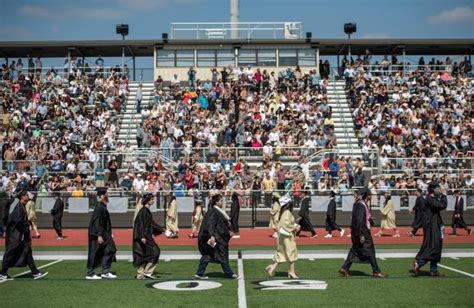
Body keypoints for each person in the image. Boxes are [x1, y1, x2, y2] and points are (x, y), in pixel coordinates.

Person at [339, 187, 387, 278]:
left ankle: (345, 268)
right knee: (370, 250)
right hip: (363, 232)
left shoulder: (359, 204)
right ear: (367, 195)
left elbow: (362, 219)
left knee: (355, 250)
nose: (371, 196)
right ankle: (376, 271)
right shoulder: (361, 205)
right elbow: (360, 221)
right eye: (370, 195)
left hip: (357, 232)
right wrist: (361, 235)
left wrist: (370, 220)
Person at [0, 190, 48, 281]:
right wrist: (28, 223)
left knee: (27, 252)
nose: (27, 196)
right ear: (22, 196)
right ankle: (3, 273)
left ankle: (35, 272)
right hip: (14, 236)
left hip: (19, 235)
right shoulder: (18, 207)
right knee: (9, 253)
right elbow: (17, 221)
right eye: (26, 195)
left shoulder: (21, 206)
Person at [195, 194, 240, 280]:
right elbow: (211, 224)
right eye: (221, 201)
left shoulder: (215, 211)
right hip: (213, 237)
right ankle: (229, 274)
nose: (222, 202)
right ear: (217, 202)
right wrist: (212, 235)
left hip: (211, 237)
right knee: (222, 253)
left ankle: (199, 273)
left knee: (208, 255)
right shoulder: (214, 211)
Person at [413, 183, 447, 277]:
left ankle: (434, 270)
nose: (439, 190)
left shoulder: (430, 199)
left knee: (436, 247)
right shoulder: (430, 199)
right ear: (433, 190)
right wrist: (444, 195)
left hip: (434, 226)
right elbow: (442, 205)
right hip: (432, 227)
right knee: (433, 247)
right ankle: (419, 262)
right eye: (438, 189)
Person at [265, 194, 300, 279]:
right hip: (287, 236)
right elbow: (286, 224)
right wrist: (295, 227)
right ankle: (291, 271)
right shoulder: (287, 212)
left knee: (282, 253)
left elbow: (284, 223)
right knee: (291, 252)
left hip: (282, 235)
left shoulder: (283, 212)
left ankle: (272, 267)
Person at [86, 187, 117, 280]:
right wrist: (98, 235)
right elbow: (97, 222)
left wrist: (109, 233)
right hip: (98, 233)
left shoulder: (102, 206)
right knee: (94, 252)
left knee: (110, 249)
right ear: (103, 196)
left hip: (104, 232)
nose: (108, 195)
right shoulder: (100, 207)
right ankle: (90, 273)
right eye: (107, 194)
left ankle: (105, 271)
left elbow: (104, 222)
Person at [133, 193, 164, 280]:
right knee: (155, 251)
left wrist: (162, 230)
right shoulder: (143, 211)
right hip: (144, 237)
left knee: (146, 254)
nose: (153, 201)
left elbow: (151, 224)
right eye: (152, 199)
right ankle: (147, 272)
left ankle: (142, 274)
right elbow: (141, 225)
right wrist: (142, 236)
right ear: (148, 200)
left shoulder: (146, 211)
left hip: (146, 236)